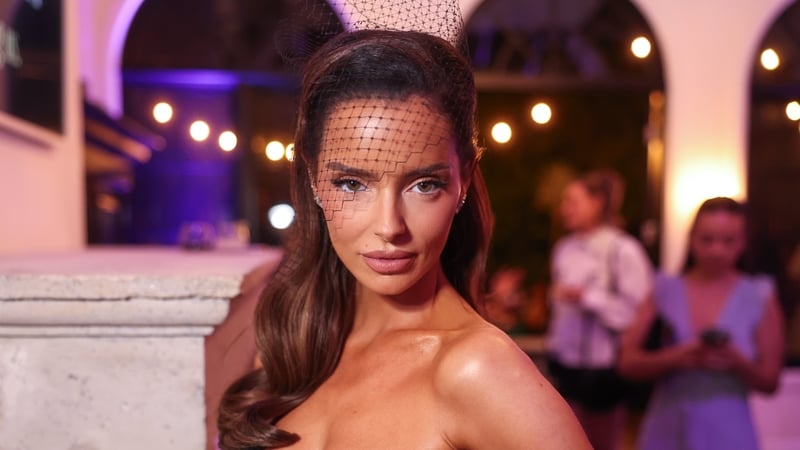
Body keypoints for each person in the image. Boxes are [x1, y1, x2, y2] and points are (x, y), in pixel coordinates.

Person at [216, 27, 590, 450]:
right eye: (352, 184)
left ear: (463, 181)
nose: (390, 226)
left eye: (424, 185)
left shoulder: (479, 370)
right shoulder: (294, 345)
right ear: (314, 178)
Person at [618, 197, 785, 450]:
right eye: (707, 239)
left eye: (728, 241)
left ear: (743, 243)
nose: (717, 251)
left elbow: (770, 381)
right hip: (668, 425)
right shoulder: (665, 288)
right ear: (691, 238)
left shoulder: (758, 294)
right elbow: (626, 362)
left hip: (730, 430)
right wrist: (675, 357)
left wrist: (737, 362)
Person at [545, 168, 654, 450]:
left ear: (597, 203)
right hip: (565, 364)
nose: (564, 209)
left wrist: (588, 298)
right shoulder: (564, 249)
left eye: (573, 201)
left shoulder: (622, 249)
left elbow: (638, 312)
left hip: (603, 368)